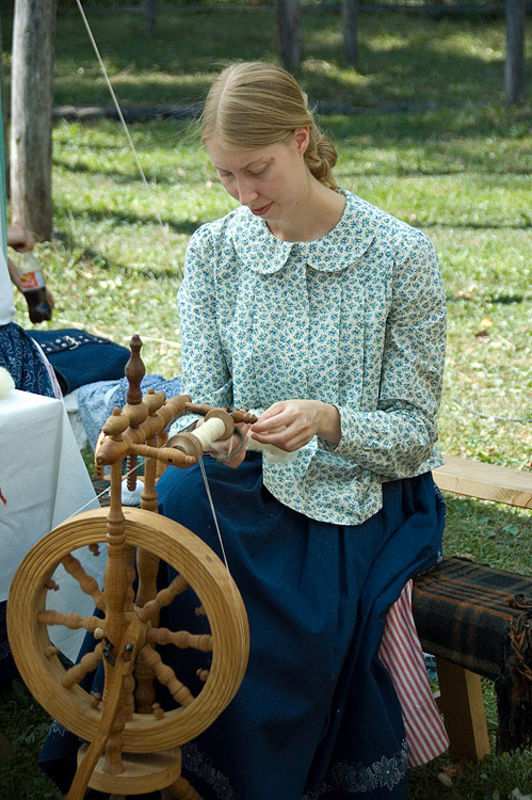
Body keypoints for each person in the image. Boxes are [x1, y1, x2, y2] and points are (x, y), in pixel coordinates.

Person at [40, 61, 447, 799]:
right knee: (167, 529)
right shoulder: (215, 251)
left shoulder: (399, 257)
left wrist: (327, 420)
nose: (243, 194)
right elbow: (207, 402)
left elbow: (414, 434)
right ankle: (133, 739)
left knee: (293, 621)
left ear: (301, 140)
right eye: (225, 176)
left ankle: (249, 777)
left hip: (353, 488)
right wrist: (217, 430)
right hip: (237, 476)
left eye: (257, 171)